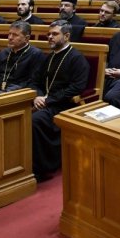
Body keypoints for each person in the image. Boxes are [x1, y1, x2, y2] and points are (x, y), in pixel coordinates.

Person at [29, 20, 91, 180]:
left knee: (35, 121)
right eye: (48, 34)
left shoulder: (77, 58)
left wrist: (48, 100)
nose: (50, 37)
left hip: (63, 105)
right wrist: (37, 96)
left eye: (54, 34)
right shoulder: (48, 58)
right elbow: (35, 81)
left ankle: (41, 168)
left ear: (67, 36)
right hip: (44, 102)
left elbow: (77, 88)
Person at [0, 21, 43, 92]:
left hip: (16, 94)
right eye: (9, 34)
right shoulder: (3, 52)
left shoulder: (36, 54)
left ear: (26, 38)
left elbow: (32, 81)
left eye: (15, 35)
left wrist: (9, 91)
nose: (10, 38)